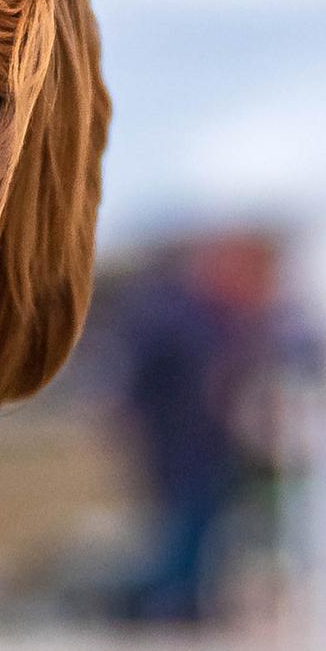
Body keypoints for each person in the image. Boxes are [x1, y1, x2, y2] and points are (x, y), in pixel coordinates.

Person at [109, 227, 285, 625]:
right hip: (177, 442)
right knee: (182, 530)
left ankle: (179, 605)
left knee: (200, 529)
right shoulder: (171, 314)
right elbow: (140, 383)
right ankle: (167, 609)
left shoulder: (214, 314)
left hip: (209, 443)